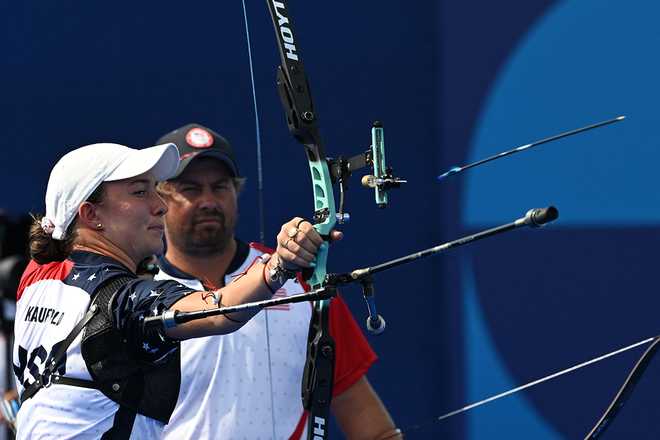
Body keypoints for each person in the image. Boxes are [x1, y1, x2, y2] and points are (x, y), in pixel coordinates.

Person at [12, 141, 324, 439]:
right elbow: (220, 310)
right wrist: (279, 265)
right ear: (91, 215)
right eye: (139, 192)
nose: (160, 206)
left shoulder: (37, 277)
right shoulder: (123, 303)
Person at [155, 124, 402, 439]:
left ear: (236, 191)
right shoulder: (136, 297)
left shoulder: (300, 281)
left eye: (220, 187)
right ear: (159, 199)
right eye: (190, 189)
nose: (208, 201)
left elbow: (374, 429)